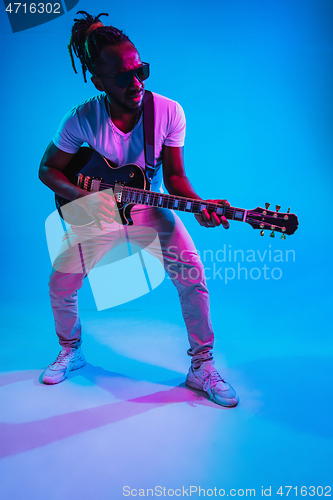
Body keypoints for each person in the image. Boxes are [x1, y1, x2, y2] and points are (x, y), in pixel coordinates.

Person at [38, 11, 239, 407]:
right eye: (122, 77)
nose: (136, 82)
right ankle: (70, 349)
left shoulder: (168, 111)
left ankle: (202, 365)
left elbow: (176, 178)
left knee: (192, 275)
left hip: (147, 206)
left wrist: (200, 206)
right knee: (61, 284)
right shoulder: (81, 118)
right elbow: (48, 169)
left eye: (140, 69)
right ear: (97, 81)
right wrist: (86, 201)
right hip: (99, 212)